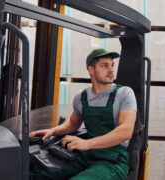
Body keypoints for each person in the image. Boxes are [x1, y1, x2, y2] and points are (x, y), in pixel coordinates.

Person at [29, 48, 137, 180]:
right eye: (105, 66)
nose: (111, 70)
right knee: (36, 175)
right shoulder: (82, 96)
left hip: (113, 161)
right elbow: (73, 123)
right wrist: (52, 131)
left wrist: (88, 143)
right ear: (91, 70)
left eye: (112, 65)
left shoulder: (124, 93)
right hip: (88, 156)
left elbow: (125, 131)